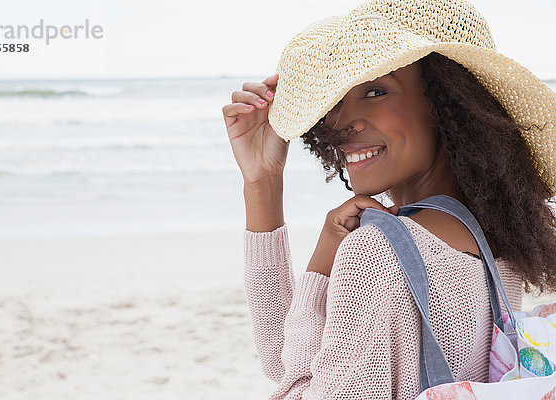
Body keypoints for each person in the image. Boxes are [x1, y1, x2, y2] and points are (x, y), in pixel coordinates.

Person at [221, 0, 556, 398]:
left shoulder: (377, 253)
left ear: (450, 104)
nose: (341, 122)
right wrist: (262, 183)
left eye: (375, 91)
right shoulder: (495, 242)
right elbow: (288, 361)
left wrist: (323, 263)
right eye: (336, 102)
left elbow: (294, 383)